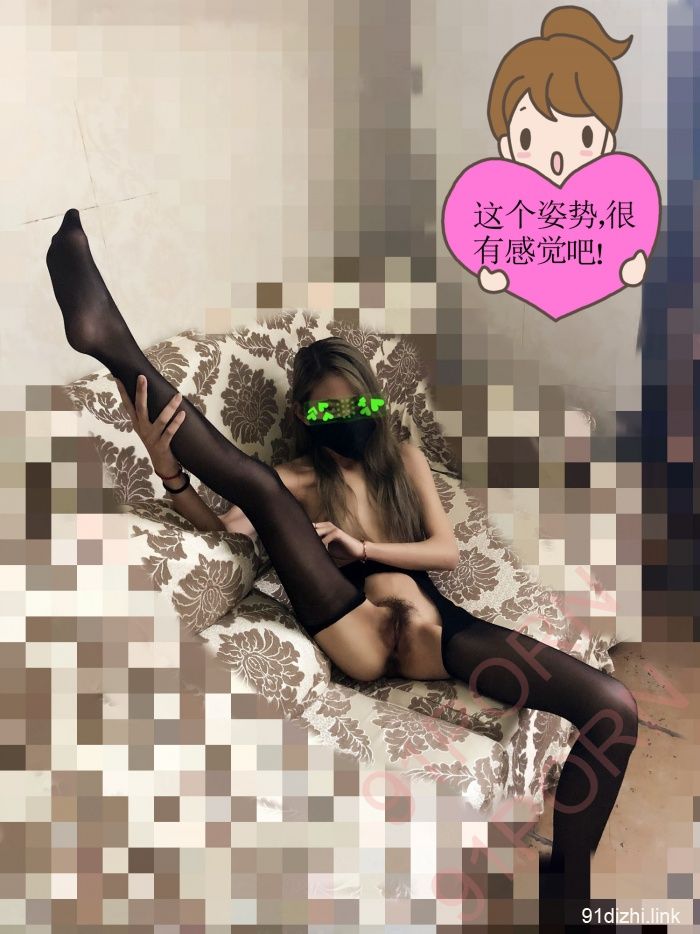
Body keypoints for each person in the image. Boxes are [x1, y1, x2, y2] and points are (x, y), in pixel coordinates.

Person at [46, 207, 637, 928]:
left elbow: (446, 551)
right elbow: (224, 528)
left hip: (438, 634)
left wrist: (365, 549)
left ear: (374, 402)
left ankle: (568, 897)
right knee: (260, 489)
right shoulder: (299, 479)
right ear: (303, 415)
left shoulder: (405, 461)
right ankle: (113, 344)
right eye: (325, 411)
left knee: (612, 707)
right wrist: (168, 470)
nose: (343, 419)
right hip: (352, 626)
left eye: (355, 405)